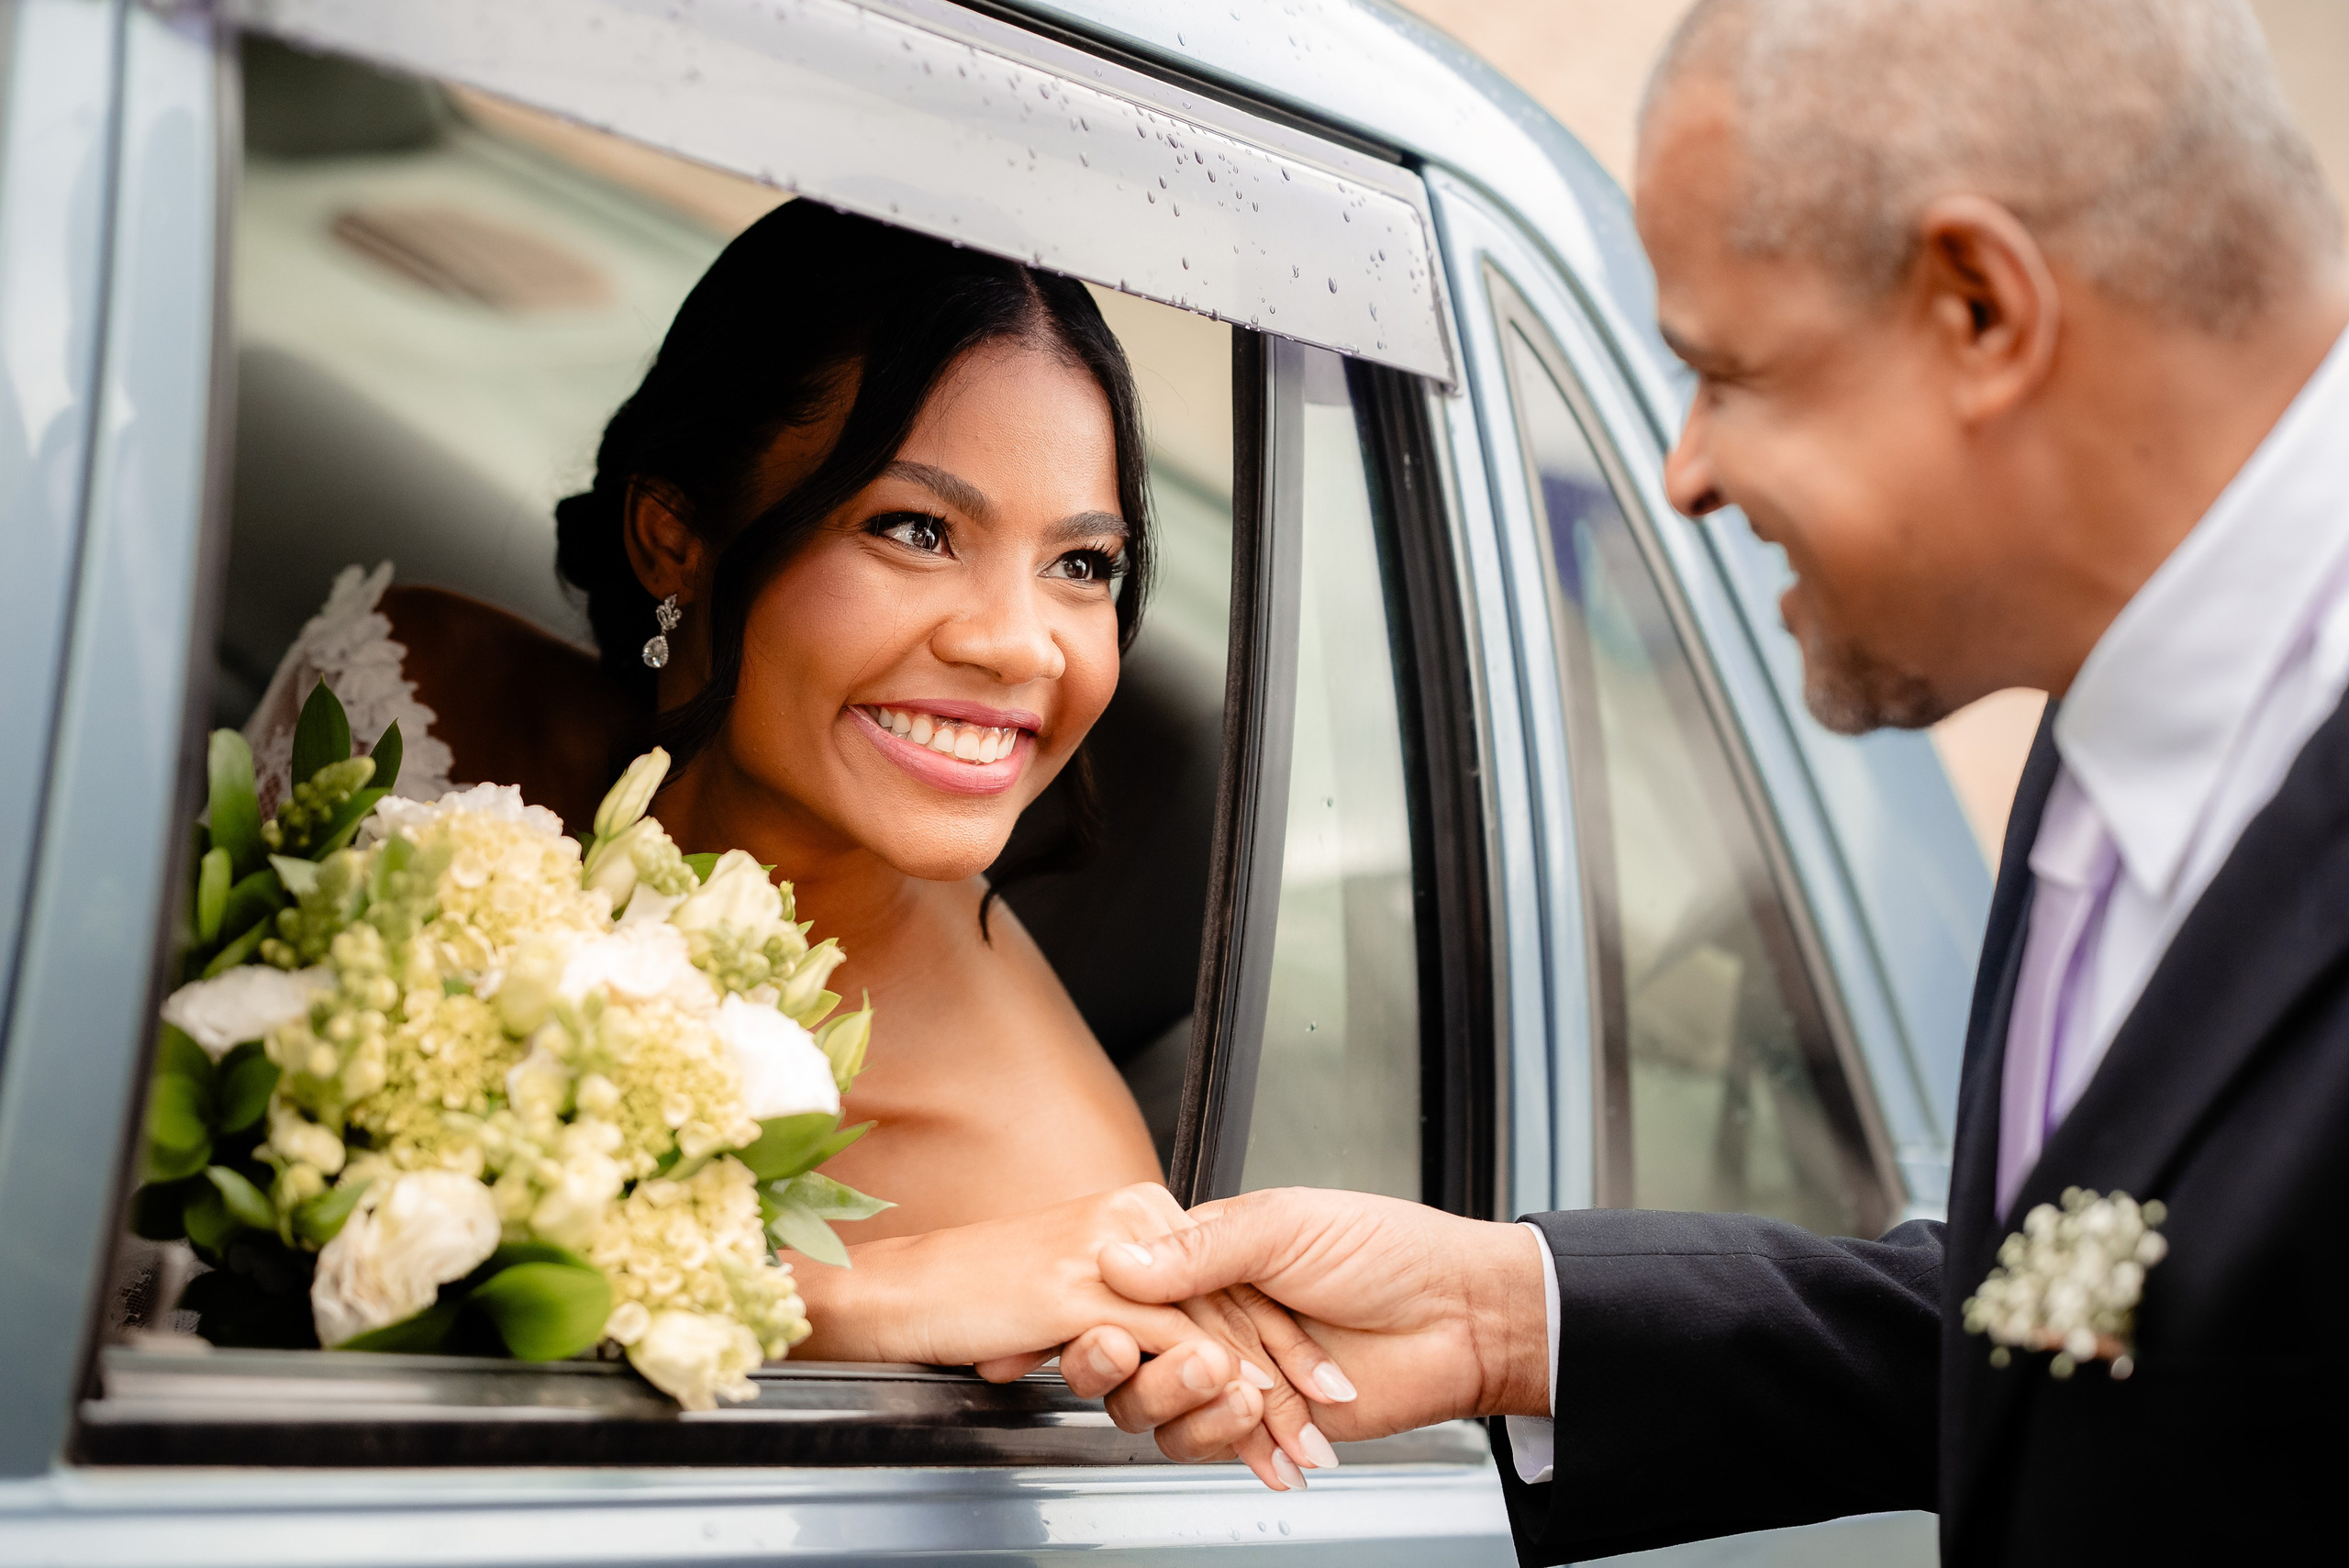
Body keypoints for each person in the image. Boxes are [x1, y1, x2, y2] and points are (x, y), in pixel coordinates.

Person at [1075, 0, 2349, 1559]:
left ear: (1981, 310)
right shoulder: (2126, 712)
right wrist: (1509, 1320)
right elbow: (2120, 1337)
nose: (1685, 472)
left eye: (1730, 373)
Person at [247, 201, 1324, 1489]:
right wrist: (852, 1294)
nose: (1019, 644)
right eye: (917, 529)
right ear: (674, 534)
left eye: (1082, 564)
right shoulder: (411, 702)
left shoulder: (1054, 1184)